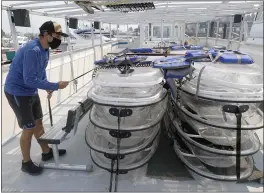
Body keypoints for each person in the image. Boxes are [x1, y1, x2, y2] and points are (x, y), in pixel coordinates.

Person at [4, 21, 70, 176]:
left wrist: (47, 85)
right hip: (18, 92)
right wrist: (55, 85)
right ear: (46, 34)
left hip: (30, 90)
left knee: (39, 122)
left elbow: (40, 72)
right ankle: (26, 163)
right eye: (57, 35)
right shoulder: (32, 50)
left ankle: (46, 152)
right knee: (29, 128)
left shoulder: (45, 50)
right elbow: (29, 79)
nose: (59, 39)